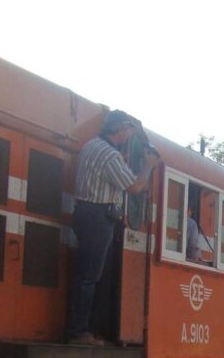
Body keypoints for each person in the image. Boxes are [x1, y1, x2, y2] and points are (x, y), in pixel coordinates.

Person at [64, 110, 160, 345]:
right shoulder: (110, 155)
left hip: (85, 212)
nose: (128, 135)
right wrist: (148, 166)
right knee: (89, 276)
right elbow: (135, 187)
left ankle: (84, 329)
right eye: (128, 130)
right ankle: (78, 332)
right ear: (120, 129)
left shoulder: (91, 146)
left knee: (86, 274)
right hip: (98, 217)